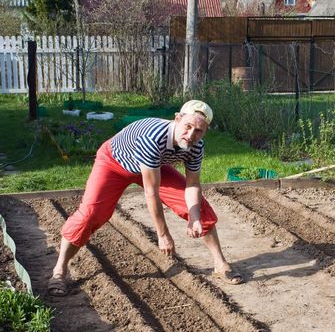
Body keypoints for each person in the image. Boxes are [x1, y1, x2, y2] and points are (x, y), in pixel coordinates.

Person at [47, 100, 243, 296]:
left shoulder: (196, 146)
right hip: (114, 163)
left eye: (199, 130)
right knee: (91, 214)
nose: (191, 135)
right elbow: (151, 192)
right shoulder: (152, 138)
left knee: (199, 207)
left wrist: (195, 217)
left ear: (205, 131)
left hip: (154, 165)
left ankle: (220, 264)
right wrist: (163, 234)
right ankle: (60, 270)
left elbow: (192, 185)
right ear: (177, 119)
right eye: (188, 126)